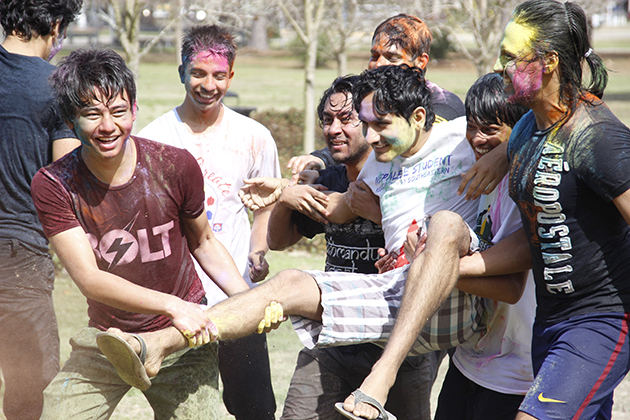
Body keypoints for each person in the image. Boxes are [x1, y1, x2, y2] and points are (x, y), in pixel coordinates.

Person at [99, 65, 529, 419]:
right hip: (397, 294)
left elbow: (528, 128)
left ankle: (381, 378)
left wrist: (500, 154)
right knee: (288, 284)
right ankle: (156, 346)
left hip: (456, 302)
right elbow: (336, 210)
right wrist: (284, 191)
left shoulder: (460, 137)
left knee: (447, 224)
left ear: (419, 117)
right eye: (368, 125)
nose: (372, 137)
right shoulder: (380, 167)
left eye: (381, 125)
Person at [31, 47, 251, 419]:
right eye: (91, 114)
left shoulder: (174, 166)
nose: (107, 126)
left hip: (181, 339)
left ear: (134, 110)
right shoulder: (54, 184)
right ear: (70, 120)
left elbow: (204, 241)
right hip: (109, 338)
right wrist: (173, 305)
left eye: (118, 111)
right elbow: (89, 278)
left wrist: (248, 300)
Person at [268, 75, 441, 420]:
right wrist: (288, 196)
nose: (335, 129)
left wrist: (375, 212)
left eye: (348, 120)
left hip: (396, 344)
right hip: (332, 338)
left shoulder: (405, 177)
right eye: (328, 120)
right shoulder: (330, 179)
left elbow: (433, 249)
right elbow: (279, 240)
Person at [493, 1, 630, 419]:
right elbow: (540, 226)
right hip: (550, 319)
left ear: (549, 62)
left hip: (604, 319)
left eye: (510, 57)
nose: (499, 66)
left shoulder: (598, 137)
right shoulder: (524, 129)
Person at [137, 24, 279, 420]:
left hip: (238, 299)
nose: (208, 84)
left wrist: (258, 249)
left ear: (231, 77)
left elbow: (262, 206)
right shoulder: (154, 140)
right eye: (198, 73)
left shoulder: (254, 137)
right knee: (185, 412)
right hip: (178, 308)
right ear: (181, 71)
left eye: (219, 75)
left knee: (255, 409)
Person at [433, 73, 534, 420]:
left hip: (515, 371)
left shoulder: (527, 187)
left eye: (490, 129)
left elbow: (511, 287)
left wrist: (436, 269)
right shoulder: (480, 179)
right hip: (468, 360)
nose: (477, 139)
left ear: (519, 129)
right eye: (471, 126)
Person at [0, 1, 82, 419]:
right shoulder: (57, 88)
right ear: (55, 26)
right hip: (19, 257)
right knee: (31, 389)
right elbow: (66, 182)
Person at [287, 13, 465, 174]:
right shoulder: (369, 97)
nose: (378, 64)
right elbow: (353, 137)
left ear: (421, 61)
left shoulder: (444, 105)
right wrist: (321, 159)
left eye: (392, 57)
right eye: (374, 56)